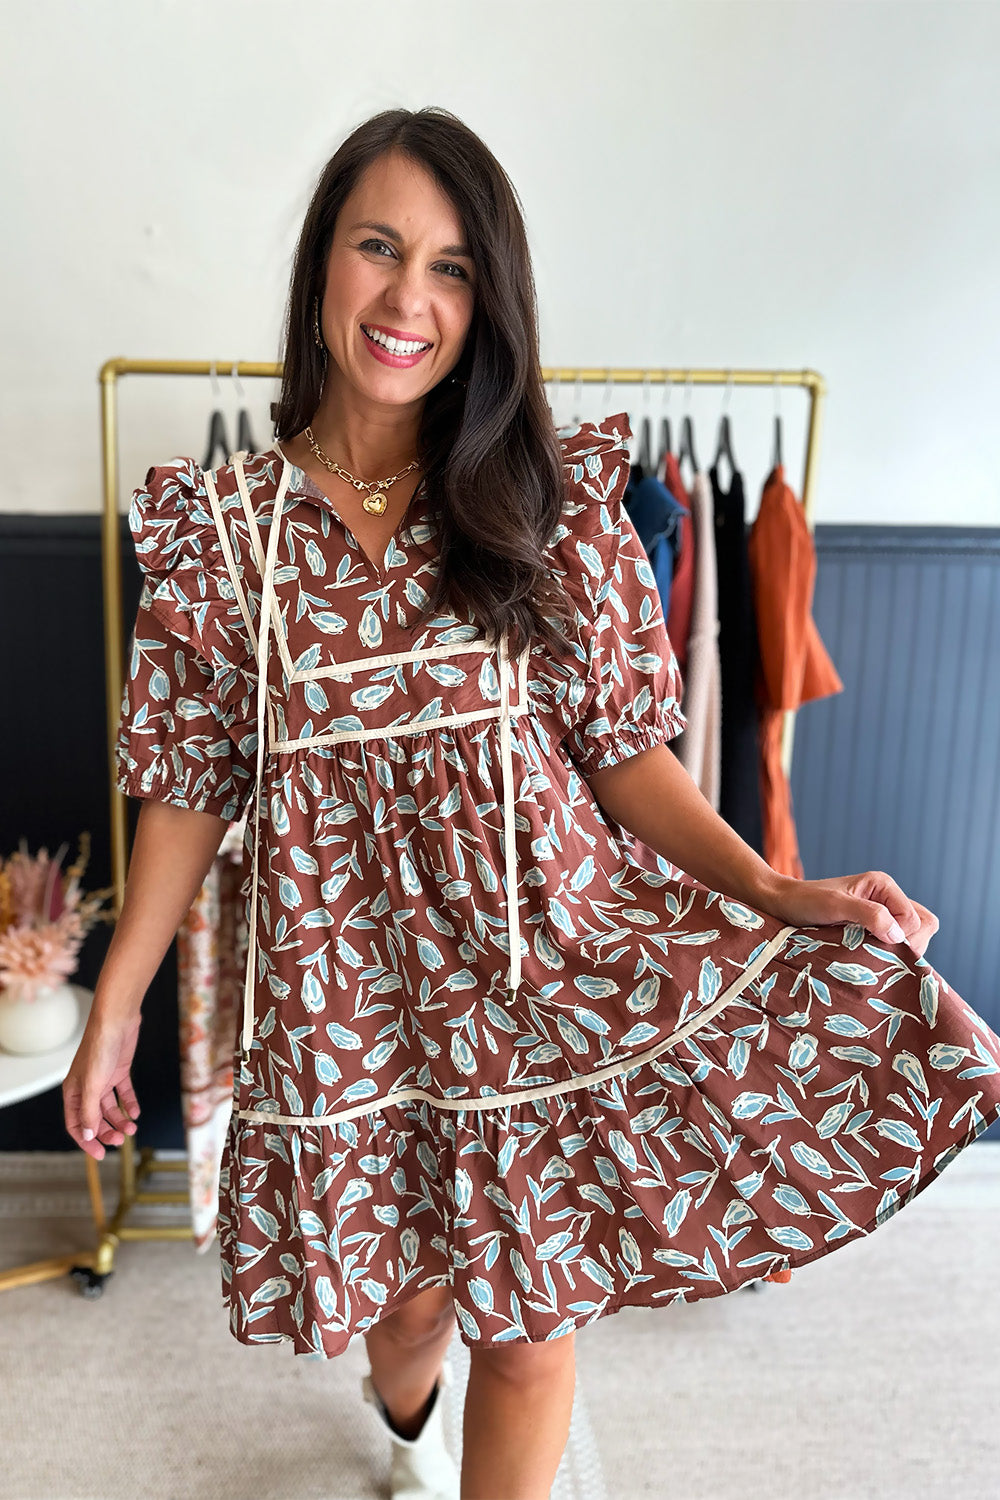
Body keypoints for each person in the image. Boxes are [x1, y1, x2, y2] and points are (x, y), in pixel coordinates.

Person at [64, 107, 1000, 1500]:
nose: (408, 297)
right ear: (324, 264)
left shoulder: (540, 503)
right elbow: (190, 790)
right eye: (378, 248)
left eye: (451, 268)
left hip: (541, 972)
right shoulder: (224, 536)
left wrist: (775, 889)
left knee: (531, 1336)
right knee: (407, 1313)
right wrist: (117, 999)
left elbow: (629, 753)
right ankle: (403, 1424)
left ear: (485, 301)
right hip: (351, 996)